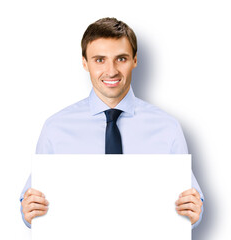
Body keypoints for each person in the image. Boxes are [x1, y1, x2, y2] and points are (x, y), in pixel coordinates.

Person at [20, 17, 204, 229]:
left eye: (121, 59)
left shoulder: (167, 127)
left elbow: (192, 203)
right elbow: (30, 204)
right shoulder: (55, 128)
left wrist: (194, 212)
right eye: (99, 60)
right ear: (84, 62)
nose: (111, 71)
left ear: (135, 60)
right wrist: (28, 211)